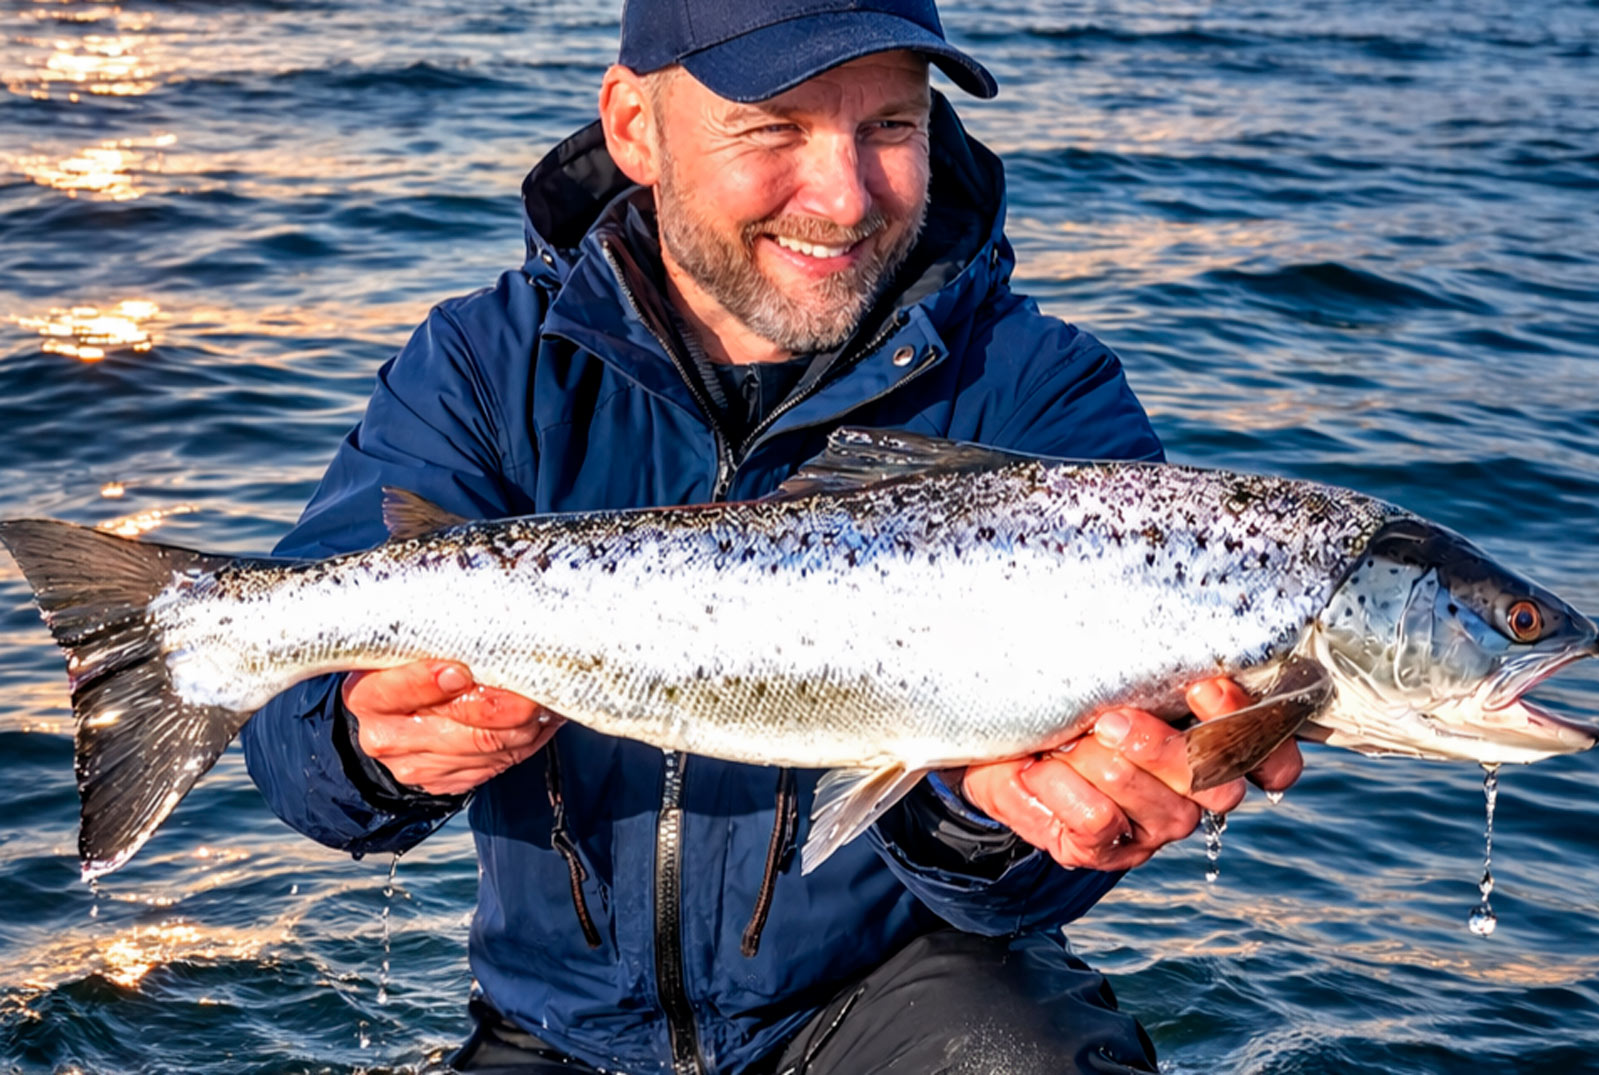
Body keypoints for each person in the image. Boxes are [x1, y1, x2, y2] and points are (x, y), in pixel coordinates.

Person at [241, 1, 1302, 1072]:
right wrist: (369, 744)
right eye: (774, 128)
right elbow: (290, 731)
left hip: (908, 1003)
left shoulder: (1038, 391)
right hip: (556, 1032)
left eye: (891, 127)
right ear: (633, 126)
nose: (844, 198)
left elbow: (1046, 865)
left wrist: (987, 816)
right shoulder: (483, 363)